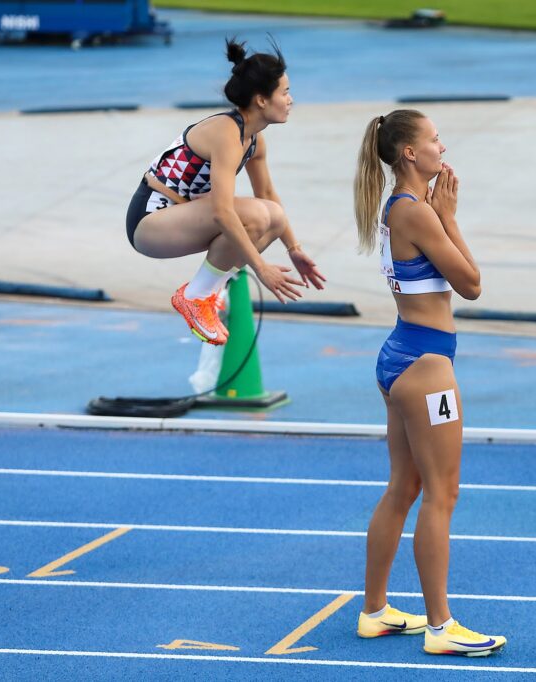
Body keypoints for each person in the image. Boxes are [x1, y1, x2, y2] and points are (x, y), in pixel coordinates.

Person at [352, 110, 506, 657]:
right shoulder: (416, 212)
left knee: (404, 487)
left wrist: (440, 216)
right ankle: (441, 626)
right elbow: (472, 284)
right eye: (435, 139)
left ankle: (374, 611)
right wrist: (450, 219)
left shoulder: (397, 205)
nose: (444, 146)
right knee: (443, 493)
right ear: (410, 153)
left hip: (401, 355)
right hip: (426, 367)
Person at [125, 38, 325, 344]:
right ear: (261, 100)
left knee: (274, 217)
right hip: (150, 221)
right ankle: (195, 297)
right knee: (257, 215)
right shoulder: (227, 133)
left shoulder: (254, 139)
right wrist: (261, 268)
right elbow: (222, 212)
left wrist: (294, 249)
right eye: (284, 92)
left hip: (180, 217)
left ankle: (205, 294)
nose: (291, 100)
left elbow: (268, 193)